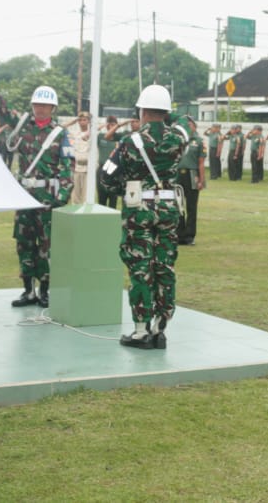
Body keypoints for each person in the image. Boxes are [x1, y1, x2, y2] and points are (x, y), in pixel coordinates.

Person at [99, 85, 190, 349]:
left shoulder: (130, 141)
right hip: (169, 209)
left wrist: (127, 190)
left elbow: (106, 177)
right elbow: (182, 122)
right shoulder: (179, 139)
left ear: (142, 110)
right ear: (165, 112)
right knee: (165, 266)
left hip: (140, 210)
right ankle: (161, 328)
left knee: (141, 268)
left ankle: (140, 330)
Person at [0, 71, 73, 308]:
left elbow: (68, 167)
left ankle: (45, 291)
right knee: (24, 244)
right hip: (24, 195)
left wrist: (61, 198)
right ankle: (28, 290)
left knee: (46, 247)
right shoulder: (21, 125)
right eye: (37, 104)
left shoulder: (60, 134)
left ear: (53, 108)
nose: (40, 108)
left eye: (46, 105)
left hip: (46, 198)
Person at [176, 118, 205, 246]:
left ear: (195, 126)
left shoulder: (199, 142)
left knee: (191, 207)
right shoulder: (179, 140)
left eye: (189, 125)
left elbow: (201, 162)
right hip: (177, 175)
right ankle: (179, 235)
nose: (187, 127)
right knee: (178, 206)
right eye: (185, 125)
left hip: (192, 174)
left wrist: (201, 180)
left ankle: (189, 236)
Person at [63, 111, 93, 205]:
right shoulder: (74, 134)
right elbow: (61, 128)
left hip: (88, 169)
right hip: (76, 168)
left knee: (86, 197)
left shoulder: (92, 134)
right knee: (75, 197)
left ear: (88, 121)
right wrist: (74, 121)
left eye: (85, 120)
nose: (82, 122)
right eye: (80, 120)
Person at [96, 116, 122, 208]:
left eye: (113, 124)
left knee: (113, 198)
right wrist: (102, 126)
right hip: (102, 169)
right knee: (101, 197)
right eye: (109, 124)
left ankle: (112, 221)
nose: (111, 126)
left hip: (114, 170)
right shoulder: (101, 137)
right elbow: (86, 137)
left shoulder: (120, 138)